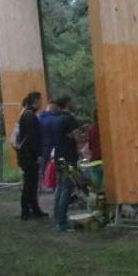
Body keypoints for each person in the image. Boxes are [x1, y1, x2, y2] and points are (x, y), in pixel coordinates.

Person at [45, 95, 82, 232]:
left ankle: (58, 218)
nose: (74, 103)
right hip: (69, 157)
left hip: (58, 157)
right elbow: (78, 138)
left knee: (60, 188)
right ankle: (61, 221)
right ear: (67, 103)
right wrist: (80, 134)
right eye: (72, 101)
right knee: (67, 189)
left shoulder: (56, 119)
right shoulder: (70, 119)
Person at [15, 91, 47, 220]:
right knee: (30, 183)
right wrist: (38, 153)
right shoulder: (29, 116)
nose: (41, 103)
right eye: (39, 100)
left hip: (27, 154)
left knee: (32, 183)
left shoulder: (27, 115)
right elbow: (32, 137)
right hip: (29, 155)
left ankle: (33, 207)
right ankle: (26, 209)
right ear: (35, 101)